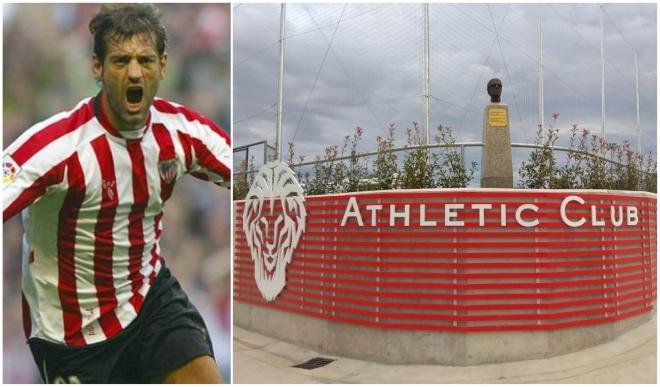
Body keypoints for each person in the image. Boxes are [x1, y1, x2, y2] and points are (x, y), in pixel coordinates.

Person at [2, 4, 230, 383]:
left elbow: (254, 182)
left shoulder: (182, 133)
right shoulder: (55, 148)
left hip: (149, 303)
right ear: (98, 68)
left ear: (163, 65)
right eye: (121, 60)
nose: (135, 72)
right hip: (70, 334)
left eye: (145, 59)